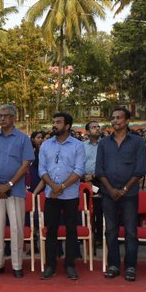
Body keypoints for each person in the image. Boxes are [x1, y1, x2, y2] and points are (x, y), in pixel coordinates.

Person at [0, 104, 34, 278]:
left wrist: (9, 184)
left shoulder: (23, 138)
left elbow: (26, 164)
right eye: (0, 115)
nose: (2, 118)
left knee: (16, 228)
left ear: (13, 118)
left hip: (15, 190)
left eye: (5, 115)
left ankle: (17, 265)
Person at [96, 107, 146, 282]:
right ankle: (113, 265)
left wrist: (124, 189)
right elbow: (99, 170)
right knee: (110, 231)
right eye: (113, 118)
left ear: (127, 121)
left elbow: (140, 170)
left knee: (131, 232)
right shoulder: (104, 143)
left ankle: (131, 267)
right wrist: (111, 190)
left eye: (119, 118)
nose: (115, 121)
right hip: (108, 193)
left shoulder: (137, 142)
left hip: (130, 194)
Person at [38, 112, 86, 280]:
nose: (54, 125)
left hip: (70, 195)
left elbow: (79, 170)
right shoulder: (46, 145)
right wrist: (53, 186)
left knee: (71, 230)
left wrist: (62, 186)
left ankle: (70, 265)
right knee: (51, 230)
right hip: (51, 195)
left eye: (58, 122)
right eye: (54, 122)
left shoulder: (78, 145)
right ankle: (50, 265)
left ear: (67, 126)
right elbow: (42, 169)